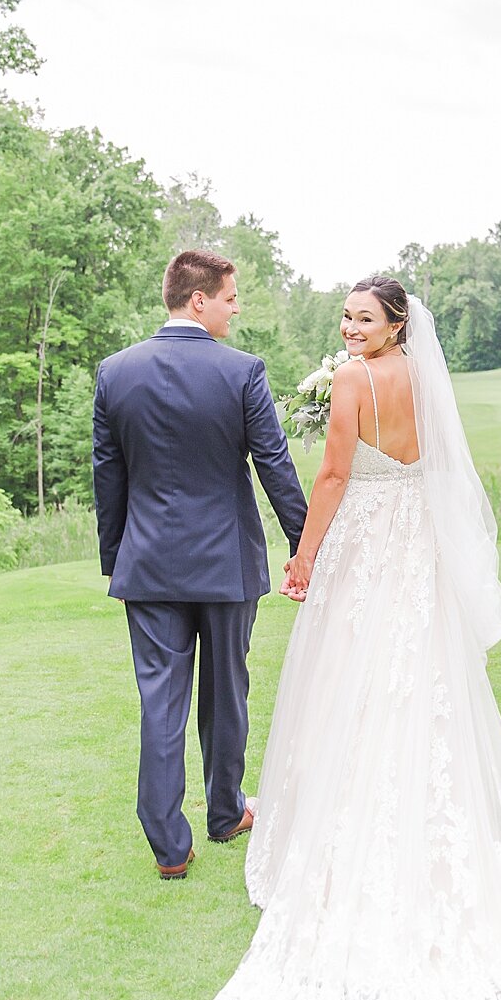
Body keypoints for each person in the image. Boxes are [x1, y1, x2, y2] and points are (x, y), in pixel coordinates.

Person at [213, 276, 501, 1000]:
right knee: (415, 678)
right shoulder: (424, 382)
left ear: (396, 325)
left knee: (351, 679)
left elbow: (331, 474)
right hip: (415, 545)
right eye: (347, 316)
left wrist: (304, 556)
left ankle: (345, 833)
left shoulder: (354, 380)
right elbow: (434, 469)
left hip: (365, 543)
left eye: (365, 318)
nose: (350, 328)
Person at [92, 249, 308, 880]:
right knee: (225, 692)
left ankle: (168, 848)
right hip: (224, 564)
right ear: (198, 300)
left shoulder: (114, 372)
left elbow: (109, 477)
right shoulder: (242, 372)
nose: (236, 307)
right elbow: (274, 464)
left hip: (149, 567)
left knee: (160, 701)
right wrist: (304, 546)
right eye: (230, 297)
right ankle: (224, 812)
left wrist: (117, 558)